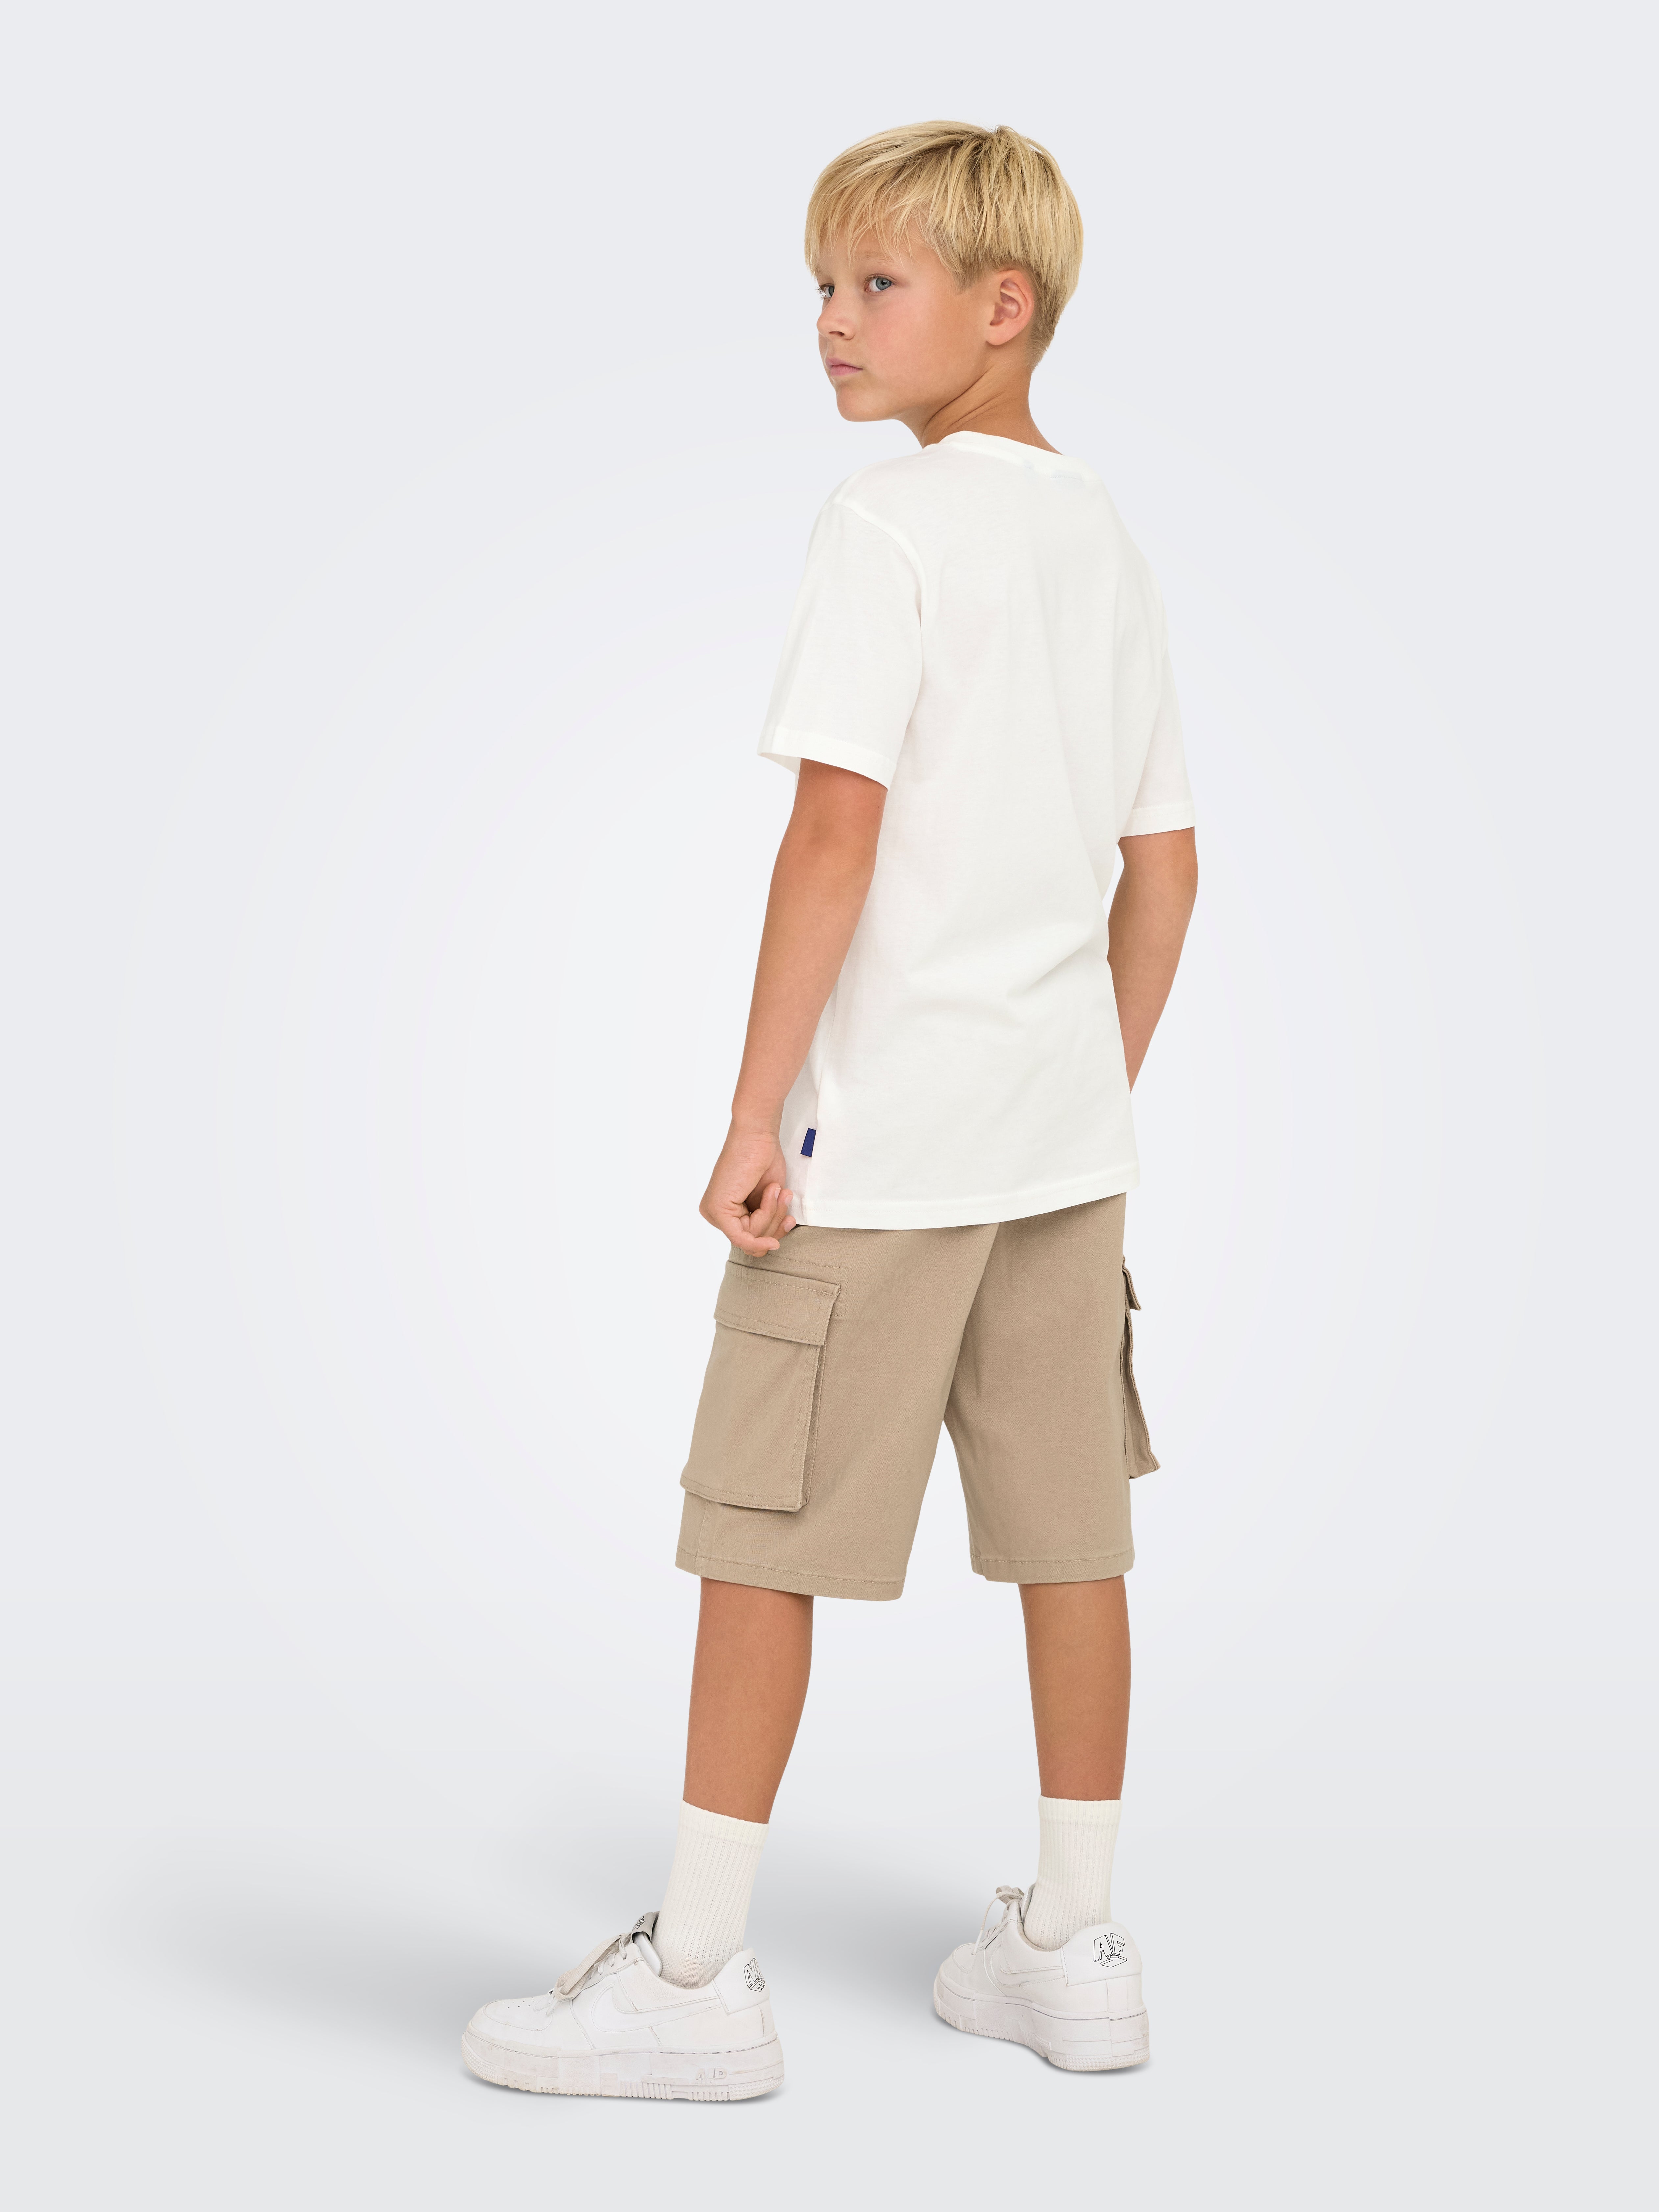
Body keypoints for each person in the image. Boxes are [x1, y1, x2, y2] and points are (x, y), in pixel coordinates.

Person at [463, 119, 1198, 2099]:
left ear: (1002, 306)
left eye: (877, 284)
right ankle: (1073, 1946)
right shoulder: (1105, 539)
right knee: (1071, 1539)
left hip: (876, 1150)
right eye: (821, 285)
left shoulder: (889, 527)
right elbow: (1165, 872)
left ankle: (697, 1976)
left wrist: (751, 1113)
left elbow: (832, 834)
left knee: (760, 1535)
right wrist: (1079, 1083)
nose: (831, 322)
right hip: (1063, 1158)